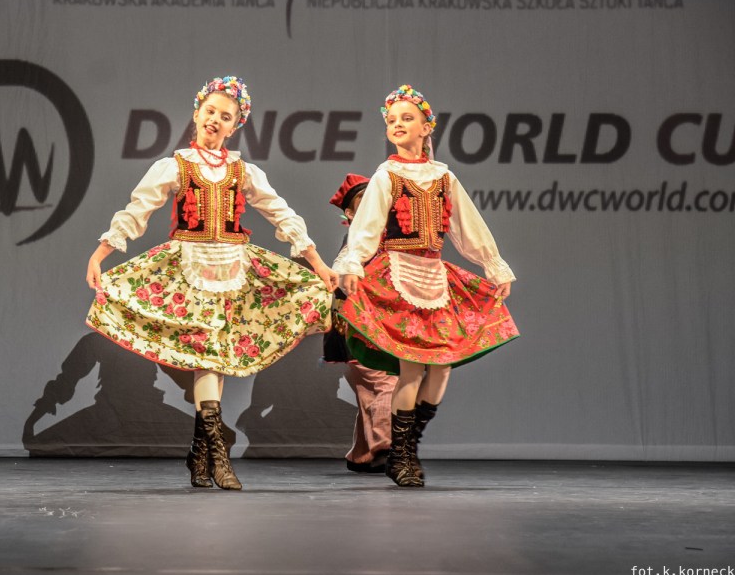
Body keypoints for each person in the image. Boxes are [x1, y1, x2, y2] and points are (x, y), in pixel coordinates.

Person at [85, 76, 337, 490]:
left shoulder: (243, 171)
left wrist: (317, 263)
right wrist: (101, 254)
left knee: (214, 361)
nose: (215, 120)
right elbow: (137, 210)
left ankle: (200, 454)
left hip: (234, 271)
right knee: (209, 360)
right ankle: (218, 456)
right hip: (189, 269)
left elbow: (281, 214)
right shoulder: (176, 166)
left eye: (226, 116)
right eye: (210, 112)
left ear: (235, 126)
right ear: (197, 113)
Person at [335, 85, 519, 487]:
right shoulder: (387, 175)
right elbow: (367, 227)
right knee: (412, 369)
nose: (398, 125)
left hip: (434, 275)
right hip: (398, 275)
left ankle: (409, 446)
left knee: (442, 368)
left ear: (426, 127)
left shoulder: (443, 177)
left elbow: (467, 226)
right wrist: (352, 262)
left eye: (407, 118)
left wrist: (493, 265)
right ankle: (400, 456)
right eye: (392, 120)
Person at [325, 174, 397, 473]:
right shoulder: (357, 242)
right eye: (363, 203)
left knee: (371, 389)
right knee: (387, 382)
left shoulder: (382, 238)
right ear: (351, 213)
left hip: (372, 325)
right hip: (363, 327)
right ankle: (385, 448)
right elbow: (342, 273)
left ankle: (362, 455)